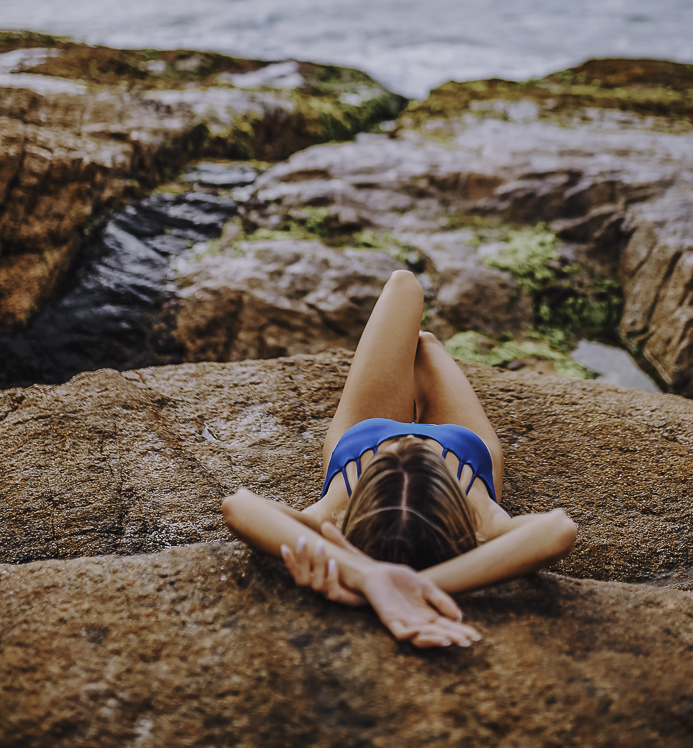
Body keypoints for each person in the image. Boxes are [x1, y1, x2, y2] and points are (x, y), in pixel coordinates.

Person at [222, 270, 577, 649]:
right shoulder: (483, 525)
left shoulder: (332, 519)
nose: (408, 443)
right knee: (423, 345)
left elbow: (240, 507)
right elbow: (558, 529)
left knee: (405, 285)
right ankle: (427, 357)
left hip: (363, 435)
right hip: (462, 445)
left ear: (354, 515)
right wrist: (423, 587)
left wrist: (368, 577)